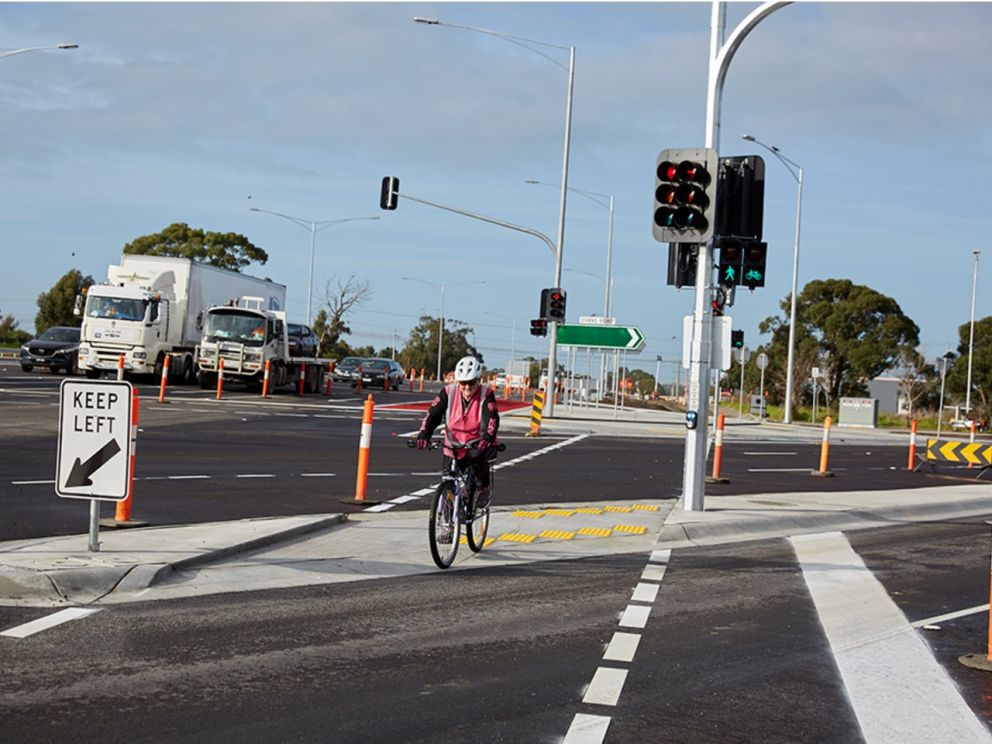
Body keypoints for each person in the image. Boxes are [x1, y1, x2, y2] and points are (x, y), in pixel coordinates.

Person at [416, 355, 500, 509]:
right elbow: (433, 415)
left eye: (471, 383)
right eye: (463, 383)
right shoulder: (448, 393)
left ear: (479, 380)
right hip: (453, 443)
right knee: (448, 482)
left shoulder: (486, 395)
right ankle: (447, 525)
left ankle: (483, 487)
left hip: (477, 443)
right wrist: (424, 434)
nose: (467, 388)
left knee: (478, 461)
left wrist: (488, 437)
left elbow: (492, 419)